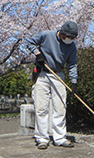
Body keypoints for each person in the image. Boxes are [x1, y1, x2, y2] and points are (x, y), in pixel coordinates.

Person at [26, 21, 79, 149]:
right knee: (41, 107)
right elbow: (29, 42)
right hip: (42, 74)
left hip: (58, 75)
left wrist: (74, 81)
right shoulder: (46, 35)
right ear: (62, 33)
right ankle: (42, 138)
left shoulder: (71, 46)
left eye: (73, 38)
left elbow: (72, 64)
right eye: (69, 37)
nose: (70, 39)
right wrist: (38, 54)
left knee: (60, 107)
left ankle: (59, 138)